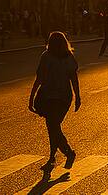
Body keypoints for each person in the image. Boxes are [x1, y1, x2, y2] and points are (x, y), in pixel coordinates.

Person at [29, 31, 80, 174]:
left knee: (53, 126)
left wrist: (31, 97)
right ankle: (55, 155)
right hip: (61, 98)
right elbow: (74, 80)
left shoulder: (47, 57)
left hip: (53, 97)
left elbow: (38, 79)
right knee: (53, 126)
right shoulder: (68, 58)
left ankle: (66, 152)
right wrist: (78, 97)